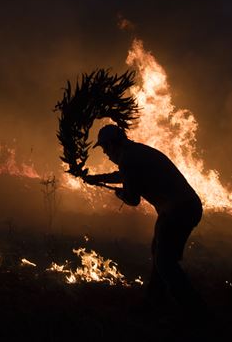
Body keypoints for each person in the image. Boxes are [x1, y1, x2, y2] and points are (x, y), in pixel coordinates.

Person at [84, 125, 207, 319]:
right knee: (158, 252)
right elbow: (125, 175)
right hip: (181, 208)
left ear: (112, 144)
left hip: (179, 211)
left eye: (105, 148)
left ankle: (197, 313)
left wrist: (120, 194)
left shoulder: (128, 158)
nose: (106, 154)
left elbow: (133, 200)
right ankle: (155, 302)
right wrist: (97, 179)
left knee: (165, 262)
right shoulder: (135, 152)